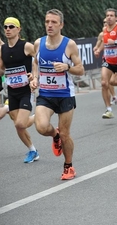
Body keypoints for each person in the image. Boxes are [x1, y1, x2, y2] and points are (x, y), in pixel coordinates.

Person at [30, 9, 85, 179]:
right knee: (41, 127)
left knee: (66, 134)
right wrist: (35, 78)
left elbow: (81, 69)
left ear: (61, 24)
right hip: (45, 94)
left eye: (54, 22)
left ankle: (68, 166)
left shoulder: (69, 45)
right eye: (47, 22)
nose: (49, 25)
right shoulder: (38, 43)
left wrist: (67, 67)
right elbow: (35, 63)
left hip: (64, 95)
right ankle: (55, 135)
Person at [0, 17, 39, 163]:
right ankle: (33, 150)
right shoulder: (1, 50)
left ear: (18, 29)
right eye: (5, 27)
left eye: (11, 26)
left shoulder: (26, 46)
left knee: (20, 123)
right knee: (19, 126)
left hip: (26, 91)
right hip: (12, 92)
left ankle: (38, 116)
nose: (8, 29)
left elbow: (38, 58)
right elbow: (1, 70)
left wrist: (34, 76)